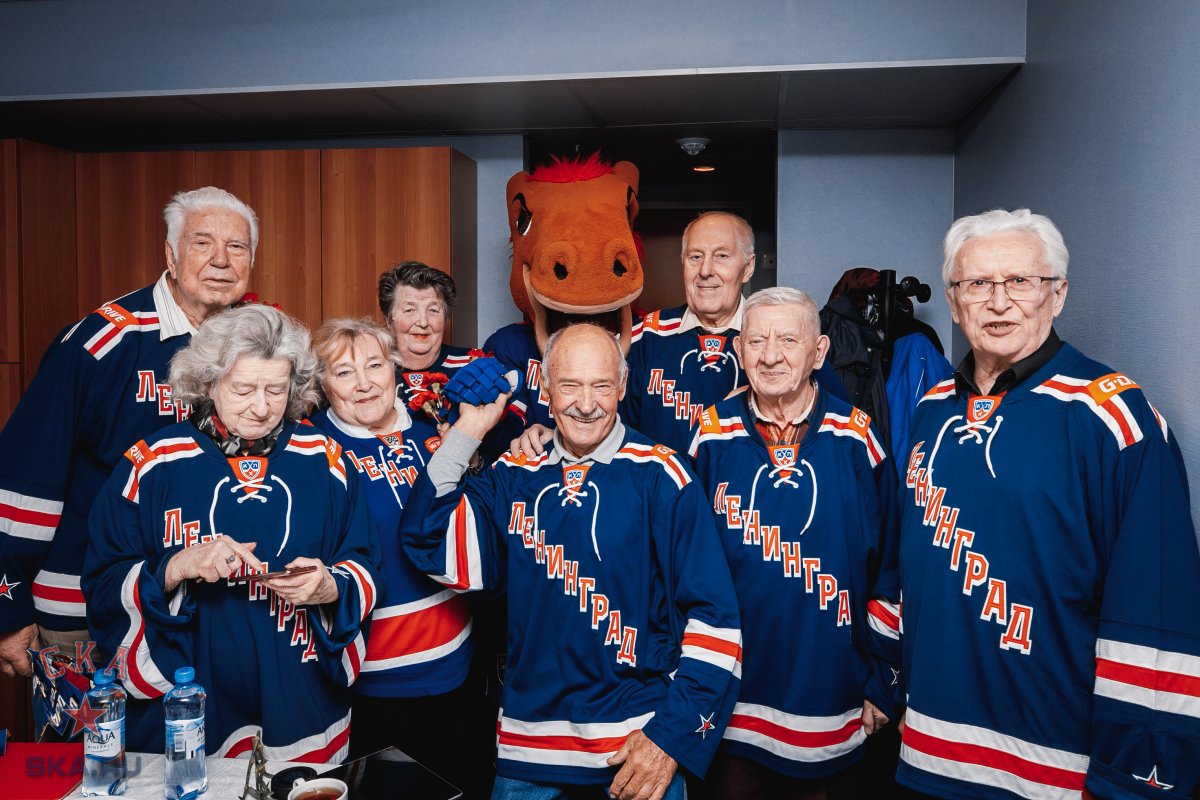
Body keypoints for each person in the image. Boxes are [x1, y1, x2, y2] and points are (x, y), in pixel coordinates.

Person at [897, 209, 1200, 798]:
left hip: (1050, 766)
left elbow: (1155, 610)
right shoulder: (931, 407)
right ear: (954, 303)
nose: (998, 302)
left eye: (1020, 281)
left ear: (1057, 295)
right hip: (930, 749)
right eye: (977, 284)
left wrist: (1134, 774)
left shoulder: (1114, 417)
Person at [402, 323, 743, 800]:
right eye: (570, 385)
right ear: (545, 387)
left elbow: (716, 621)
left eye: (601, 385)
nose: (586, 404)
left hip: (637, 748)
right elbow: (429, 539)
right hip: (529, 754)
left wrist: (671, 737)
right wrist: (470, 430)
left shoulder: (663, 474)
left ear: (622, 386)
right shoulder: (513, 473)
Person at [82, 305, 381, 760]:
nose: (261, 408)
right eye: (243, 389)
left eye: (276, 390)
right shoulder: (152, 463)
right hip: (189, 700)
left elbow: (364, 561)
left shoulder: (326, 458)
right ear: (208, 383)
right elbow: (103, 580)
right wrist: (178, 566)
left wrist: (331, 587)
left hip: (298, 694)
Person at [0, 186, 259, 679]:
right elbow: (25, 476)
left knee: (191, 730)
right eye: (202, 243)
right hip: (89, 608)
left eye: (237, 246)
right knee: (94, 733)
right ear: (171, 255)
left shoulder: (258, 346)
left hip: (207, 603)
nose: (221, 260)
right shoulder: (102, 343)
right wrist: (6, 609)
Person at [689, 287, 901, 799]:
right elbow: (682, 569)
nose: (770, 356)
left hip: (835, 699)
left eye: (788, 340)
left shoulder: (858, 437)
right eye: (756, 341)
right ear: (738, 350)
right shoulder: (710, 435)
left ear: (819, 352)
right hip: (732, 700)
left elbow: (892, 568)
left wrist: (882, 680)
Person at [307, 318, 481, 789]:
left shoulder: (434, 428)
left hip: (453, 661)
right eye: (344, 372)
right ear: (322, 384)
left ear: (395, 369)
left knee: (449, 788)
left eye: (374, 365)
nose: (364, 383)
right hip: (367, 675)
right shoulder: (311, 447)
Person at [378, 261, 476, 421]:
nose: (423, 322)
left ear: (445, 318)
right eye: (409, 310)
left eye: (433, 310)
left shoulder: (474, 364)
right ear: (388, 320)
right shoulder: (369, 375)